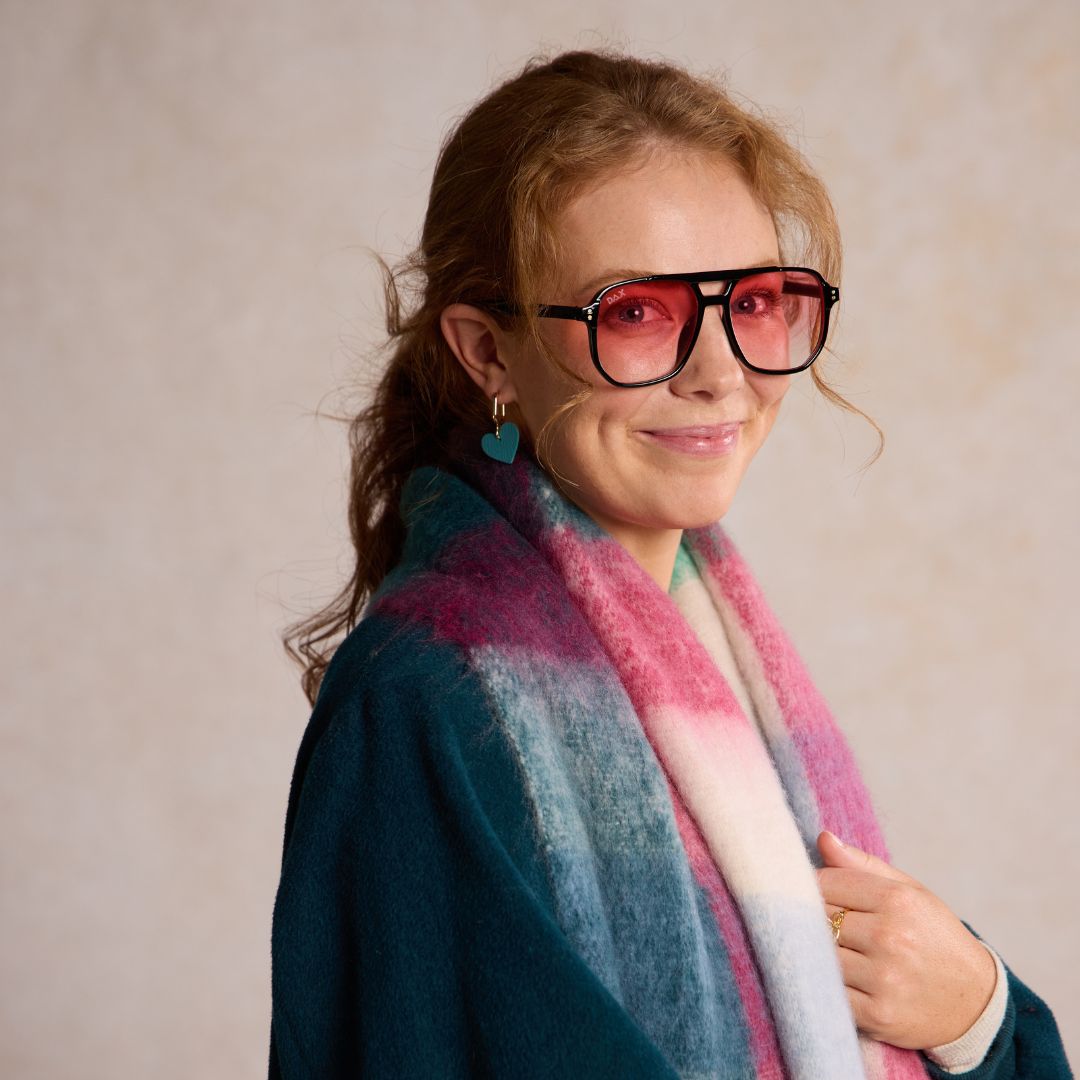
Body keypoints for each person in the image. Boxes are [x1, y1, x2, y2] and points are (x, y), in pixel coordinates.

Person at [268, 50, 1070, 1079]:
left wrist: (978, 1012)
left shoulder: (720, 658)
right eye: (637, 313)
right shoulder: (425, 702)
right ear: (488, 352)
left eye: (755, 302)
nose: (721, 373)